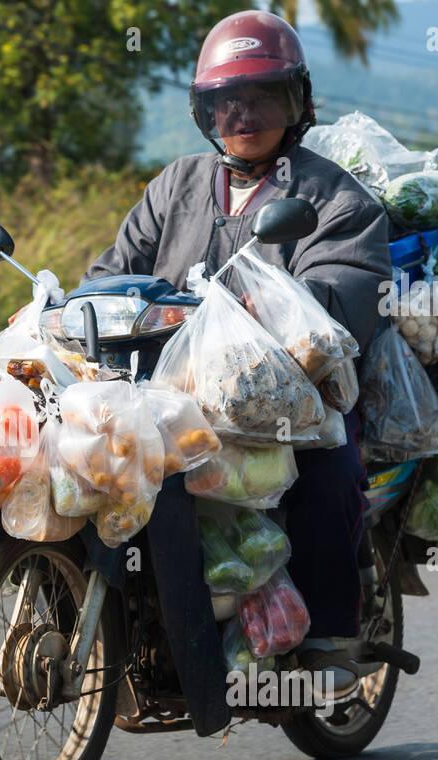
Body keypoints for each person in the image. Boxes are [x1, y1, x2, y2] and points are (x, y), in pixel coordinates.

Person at [80, 9, 393, 697]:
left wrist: (267, 313)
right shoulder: (176, 187)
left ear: (297, 103)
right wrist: (64, 310)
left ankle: (329, 635)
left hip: (289, 408)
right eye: (225, 101)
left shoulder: (338, 199)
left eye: (261, 96)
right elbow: (110, 274)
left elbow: (338, 308)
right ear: (205, 112)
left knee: (327, 468)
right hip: (170, 400)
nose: (241, 113)